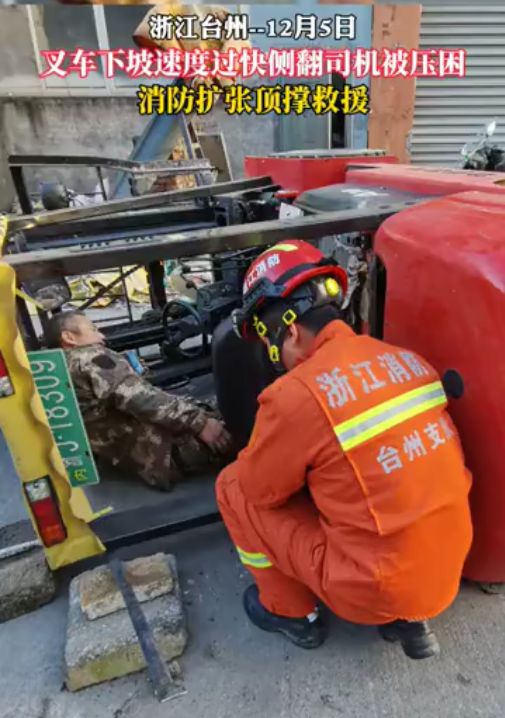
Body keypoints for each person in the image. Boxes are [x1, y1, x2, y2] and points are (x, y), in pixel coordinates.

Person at [216, 240, 473, 660]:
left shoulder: (295, 395)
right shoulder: (404, 359)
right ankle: (407, 616)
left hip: (373, 588)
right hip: (450, 562)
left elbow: (260, 490)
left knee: (233, 486)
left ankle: (291, 612)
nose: (273, 358)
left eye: (271, 346)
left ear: (291, 331)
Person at [45, 310, 232, 491]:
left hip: (135, 459)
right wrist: (199, 422)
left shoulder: (62, 371)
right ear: (69, 338)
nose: (101, 336)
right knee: (245, 417)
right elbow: (137, 397)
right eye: (93, 329)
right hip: (167, 451)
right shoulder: (89, 356)